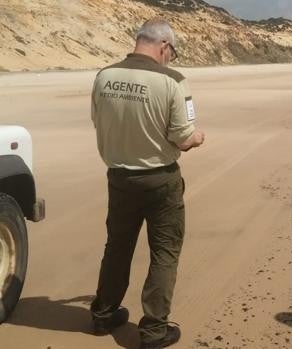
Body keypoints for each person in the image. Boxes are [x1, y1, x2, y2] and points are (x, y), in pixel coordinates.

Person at [89, 18, 205, 349]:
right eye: (173, 51)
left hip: (119, 178)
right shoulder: (173, 81)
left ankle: (103, 314)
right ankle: (154, 330)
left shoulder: (104, 76)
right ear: (164, 46)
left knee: (117, 247)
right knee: (165, 251)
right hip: (160, 180)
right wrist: (197, 138)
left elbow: (99, 121)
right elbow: (182, 139)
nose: (172, 57)